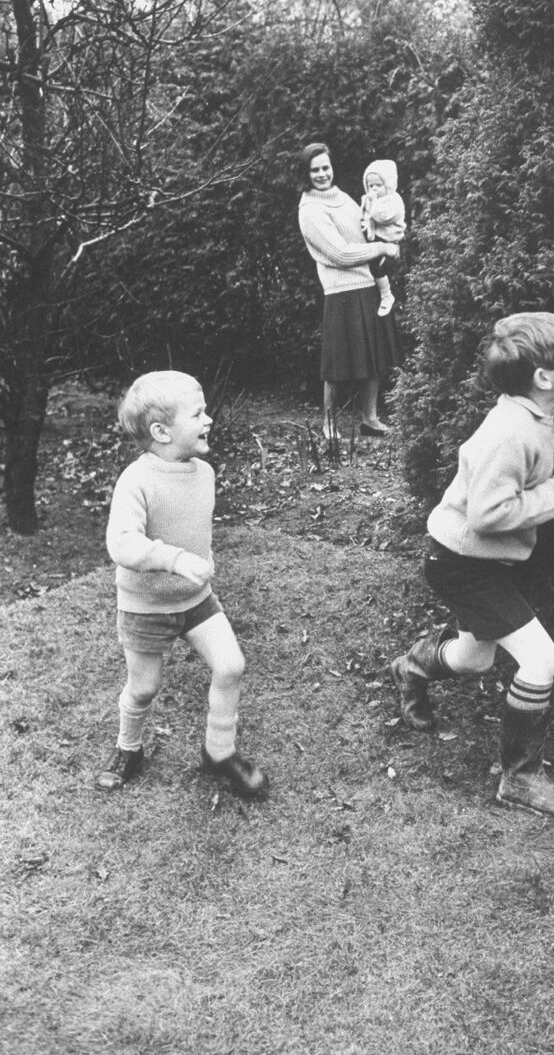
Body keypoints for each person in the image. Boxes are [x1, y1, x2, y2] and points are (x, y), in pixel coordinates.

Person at [390, 312, 554, 818]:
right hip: (462, 564)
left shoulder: (535, 415)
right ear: (544, 378)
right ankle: (520, 779)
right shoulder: (508, 431)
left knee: (475, 659)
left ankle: (412, 666)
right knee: (540, 659)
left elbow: (535, 464)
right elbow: (488, 514)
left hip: (481, 565)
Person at [95, 370, 268, 798]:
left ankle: (219, 752)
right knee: (144, 688)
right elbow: (122, 543)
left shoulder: (204, 474)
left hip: (196, 600)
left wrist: (200, 562)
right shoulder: (136, 481)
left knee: (231, 665)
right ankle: (128, 748)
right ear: (162, 431)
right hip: (144, 606)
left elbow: (192, 530)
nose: (208, 419)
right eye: (198, 413)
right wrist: (175, 559)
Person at [298, 142, 401, 439]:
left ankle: (370, 419)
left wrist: (386, 233)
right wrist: (382, 247)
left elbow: (364, 231)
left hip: (368, 282)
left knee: (373, 358)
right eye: (314, 169)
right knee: (337, 364)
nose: (321, 174)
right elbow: (340, 253)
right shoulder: (310, 210)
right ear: (306, 173)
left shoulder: (342, 198)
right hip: (340, 291)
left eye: (325, 167)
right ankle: (329, 424)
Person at [360, 158, 406, 317]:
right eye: (370, 186)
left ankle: (387, 295)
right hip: (378, 238)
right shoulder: (372, 200)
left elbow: (384, 217)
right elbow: (367, 216)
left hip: (390, 240)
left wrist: (372, 205)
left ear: (388, 185)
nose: (374, 189)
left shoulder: (394, 201)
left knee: (378, 268)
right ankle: (382, 293)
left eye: (378, 185)